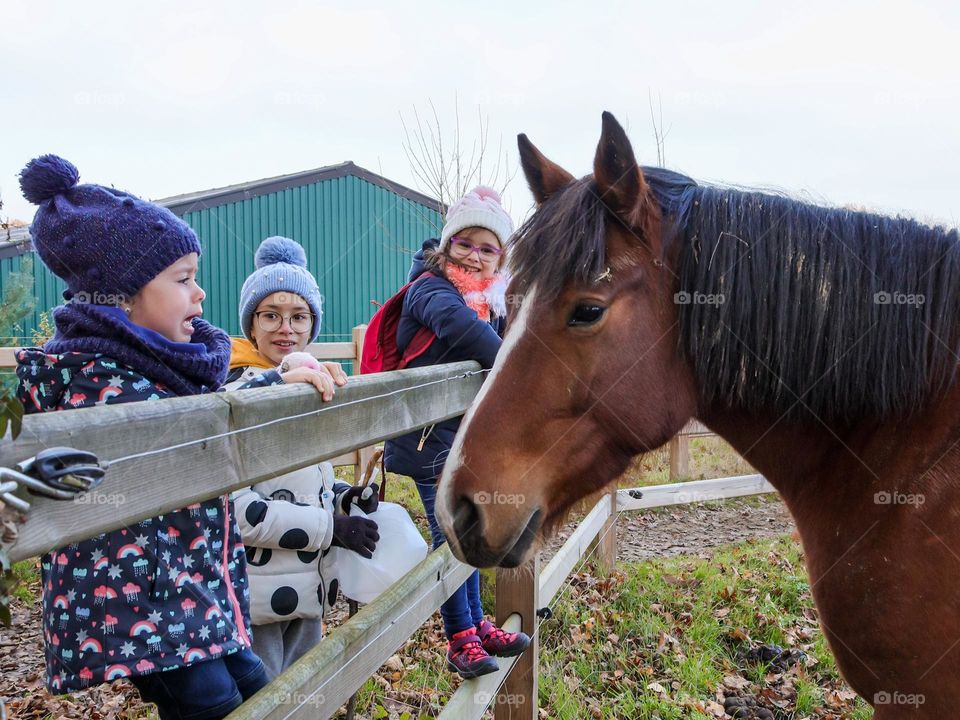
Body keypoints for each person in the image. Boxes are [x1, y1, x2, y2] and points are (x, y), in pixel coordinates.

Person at [13, 155, 334, 720]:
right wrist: (265, 387)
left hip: (186, 588)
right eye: (184, 280)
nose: (200, 294)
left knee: (254, 686)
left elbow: (204, 410)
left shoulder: (149, 368)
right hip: (138, 603)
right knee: (212, 704)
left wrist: (274, 379)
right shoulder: (98, 382)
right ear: (123, 296)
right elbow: (200, 422)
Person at [383, 186, 530, 678]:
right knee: (449, 535)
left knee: (464, 531)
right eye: (466, 243)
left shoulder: (490, 299)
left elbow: (509, 333)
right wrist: (519, 367)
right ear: (447, 245)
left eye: (489, 249)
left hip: (462, 439)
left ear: (500, 257)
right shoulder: (431, 288)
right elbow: (465, 332)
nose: (475, 256)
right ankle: (459, 637)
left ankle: (478, 623)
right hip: (427, 439)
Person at [223, 235, 379, 679]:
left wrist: (347, 500)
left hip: (308, 588)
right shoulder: (235, 394)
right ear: (251, 325)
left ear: (313, 325)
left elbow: (312, 485)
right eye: (270, 315)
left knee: (306, 693)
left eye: (298, 316)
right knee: (265, 699)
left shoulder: (309, 390)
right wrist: (333, 529)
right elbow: (238, 512)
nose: (285, 328)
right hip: (254, 594)